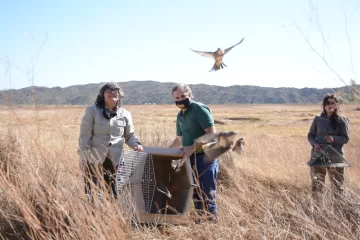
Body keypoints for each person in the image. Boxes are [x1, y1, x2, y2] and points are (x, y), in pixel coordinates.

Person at [78, 82, 143, 199]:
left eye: (115, 91)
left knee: (114, 193)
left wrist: (135, 144)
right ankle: (92, 216)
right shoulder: (92, 111)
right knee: (92, 192)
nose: (112, 93)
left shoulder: (125, 114)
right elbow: (84, 136)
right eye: (108, 90)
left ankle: (111, 215)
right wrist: (83, 158)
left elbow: (130, 135)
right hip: (94, 159)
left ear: (119, 95)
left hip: (116, 161)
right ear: (102, 94)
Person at [169, 83, 219, 222]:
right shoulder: (180, 116)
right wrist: (164, 154)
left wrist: (191, 148)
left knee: (206, 193)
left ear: (190, 95)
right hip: (190, 159)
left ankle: (211, 225)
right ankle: (201, 224)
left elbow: (211, 134)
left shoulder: (198, 108)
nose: (180, 99)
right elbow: (179, 140)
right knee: (195, 193)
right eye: (177, 97)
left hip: (205, 157)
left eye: (183, 96)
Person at [307, 93, 349, 201]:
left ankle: (338, 212)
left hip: (336, 156)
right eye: (327, 103)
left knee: (337, 186)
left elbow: (345, 138)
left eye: (332, 103)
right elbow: (311, 135)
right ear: (324, 105)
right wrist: (314, 144)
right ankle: (317, 211)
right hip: (318, 155)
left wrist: (334, 139)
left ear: (336, 105)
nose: (330, 105)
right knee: (317, 185)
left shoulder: (342, 120)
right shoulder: (318, 119)